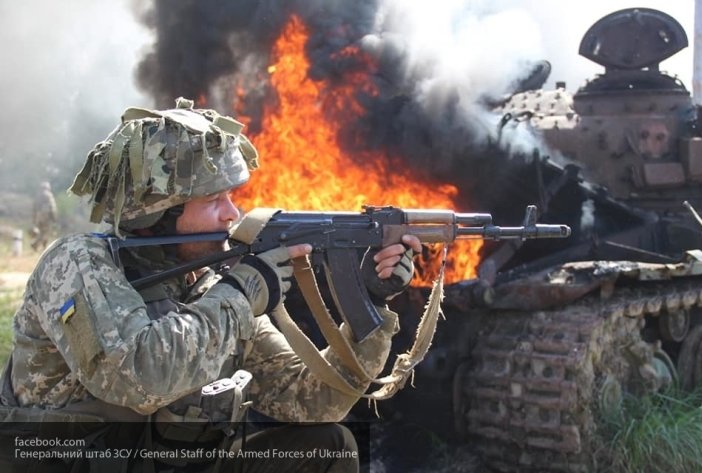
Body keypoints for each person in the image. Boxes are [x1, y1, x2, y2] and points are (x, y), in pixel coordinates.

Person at [1, 98, 421, 473]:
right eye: (211, 201)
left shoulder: (206, 284)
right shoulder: (78, 265)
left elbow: (311, 399)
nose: (230, 213)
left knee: (327, 446)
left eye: (231, 197)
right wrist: (241, 294)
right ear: (157, 214)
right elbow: (138, 378)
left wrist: (370, 301)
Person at [30, 180, 58, 251]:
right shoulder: (49, 195)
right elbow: (52, 207)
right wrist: (54, 218)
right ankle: (35, 244)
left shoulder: (38, 195)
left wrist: (34, 219)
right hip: (46, 217)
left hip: (38, 217)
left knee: (41, 232)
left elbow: (34, 208)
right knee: (45, 233)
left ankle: (43, 247)